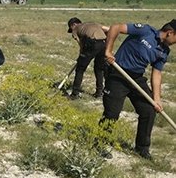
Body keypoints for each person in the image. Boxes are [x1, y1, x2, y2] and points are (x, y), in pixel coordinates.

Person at [100, 19, 176, 160]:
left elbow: (157, 73)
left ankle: (142, 148)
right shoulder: (145, 31)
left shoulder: (164, 51)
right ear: (170, 33)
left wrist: (157, 99)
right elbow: (116, 28)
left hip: (137, 78)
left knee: (148, 111)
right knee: (112, 112)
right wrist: (108, 51)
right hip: (118, 74)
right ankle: (99, 143)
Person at [67, 17, 109, 99]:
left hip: (92, 44)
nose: (72, 30)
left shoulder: (75, 30)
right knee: (99, 69)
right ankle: (99, 92)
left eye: (71, 28)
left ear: (74, 25)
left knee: (80, 69)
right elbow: (108, 29)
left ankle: (75, 94)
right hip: (104, 44)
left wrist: (81, 57)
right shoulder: (93, 23)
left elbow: (81, 45)